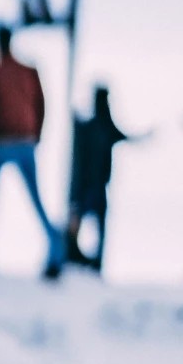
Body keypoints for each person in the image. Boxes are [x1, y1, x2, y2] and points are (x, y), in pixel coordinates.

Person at [0, 24, 63, 280]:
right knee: (36, 201)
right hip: (24, 141)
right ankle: (55, 252)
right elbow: (43, 104)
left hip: (0, 143)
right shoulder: (27, 71)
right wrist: (38, 134)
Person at [66, 86, 132, 272]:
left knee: (93, 222)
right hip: (90, 185)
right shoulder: (98, 125)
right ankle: (77, 254)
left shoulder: (100, 125)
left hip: (94, 184)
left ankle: (93, 258)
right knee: (86, 221)